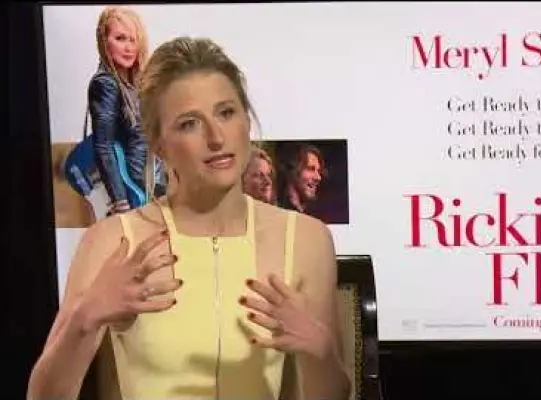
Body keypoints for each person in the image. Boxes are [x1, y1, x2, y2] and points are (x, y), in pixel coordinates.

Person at [27, 36, 351, 400]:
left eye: (226, 113)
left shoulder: (306, 238)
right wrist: (83, 319)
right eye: (189, 124)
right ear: (158, 145)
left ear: (246, 120)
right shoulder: (111, 241)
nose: (216, 137)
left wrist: (321, 351)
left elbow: (333, 394)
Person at [88, 6, 165, 215]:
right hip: (137, 188)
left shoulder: (135, 84)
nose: (129, 48)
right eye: (120, 38)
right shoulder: (105, 84)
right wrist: (120, 201)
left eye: (133, 40)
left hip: (153, 182)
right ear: (104, 42)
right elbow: (103, 146)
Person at [277, 144, 326, 214]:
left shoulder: (312, 215)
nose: (318, 177)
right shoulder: (277, 211)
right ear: (293, 172)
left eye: (319, 171)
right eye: (311, 169)